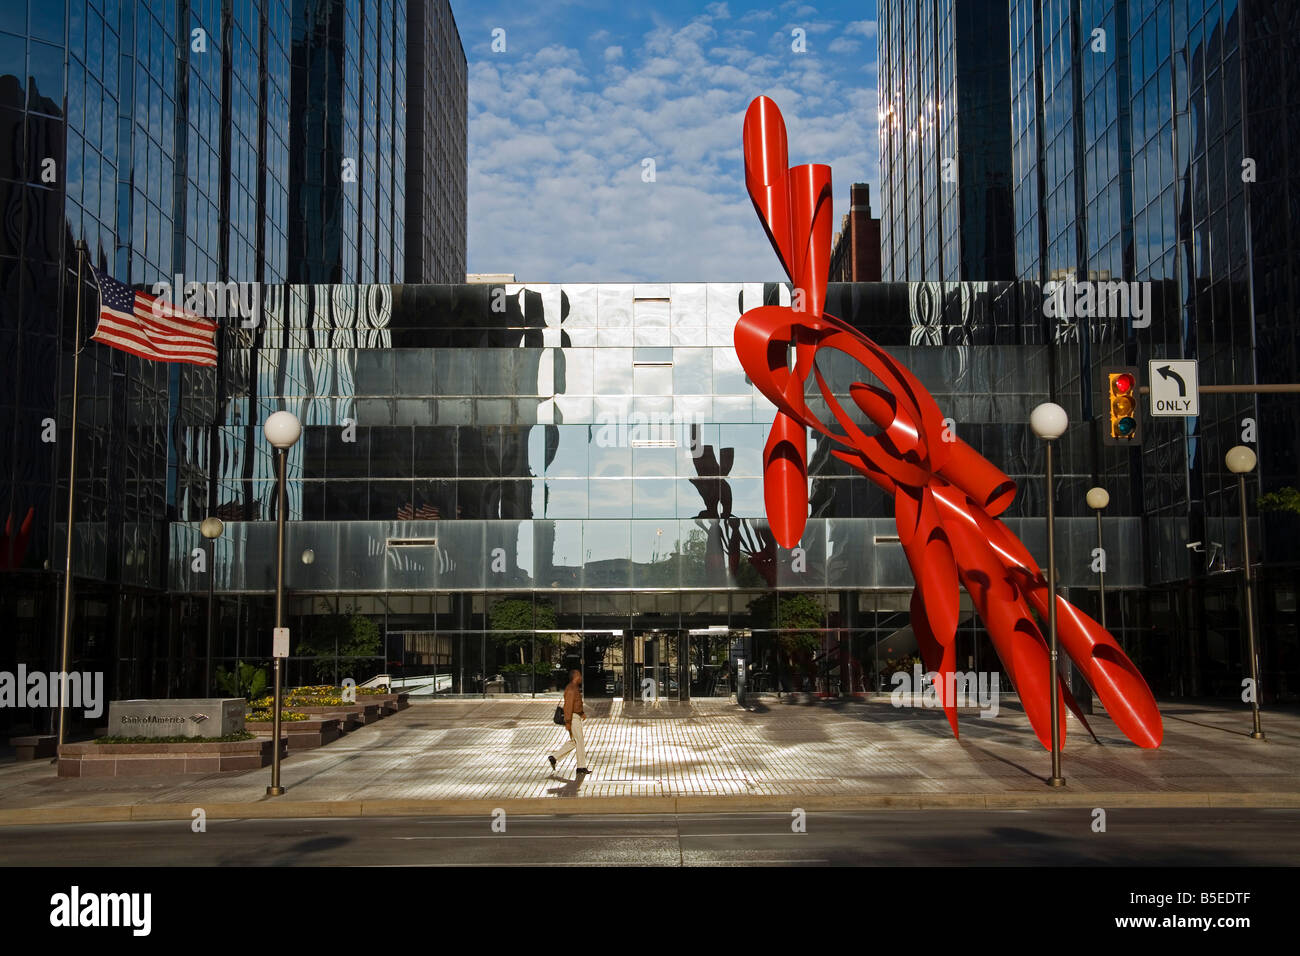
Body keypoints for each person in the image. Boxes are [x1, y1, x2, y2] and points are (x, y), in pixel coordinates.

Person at [547, 669, 592, 777]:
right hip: (573, 718)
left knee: (574, 741)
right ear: (575, 677)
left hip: (575, 716)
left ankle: (554, 757)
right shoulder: (571, 689)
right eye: (579, 676)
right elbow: (568, 707)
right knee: (579, 741)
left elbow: (575, 704)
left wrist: (581, 713)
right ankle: (581, 767)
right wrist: (568, 721)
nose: (581, 678)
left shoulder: (574, 688)